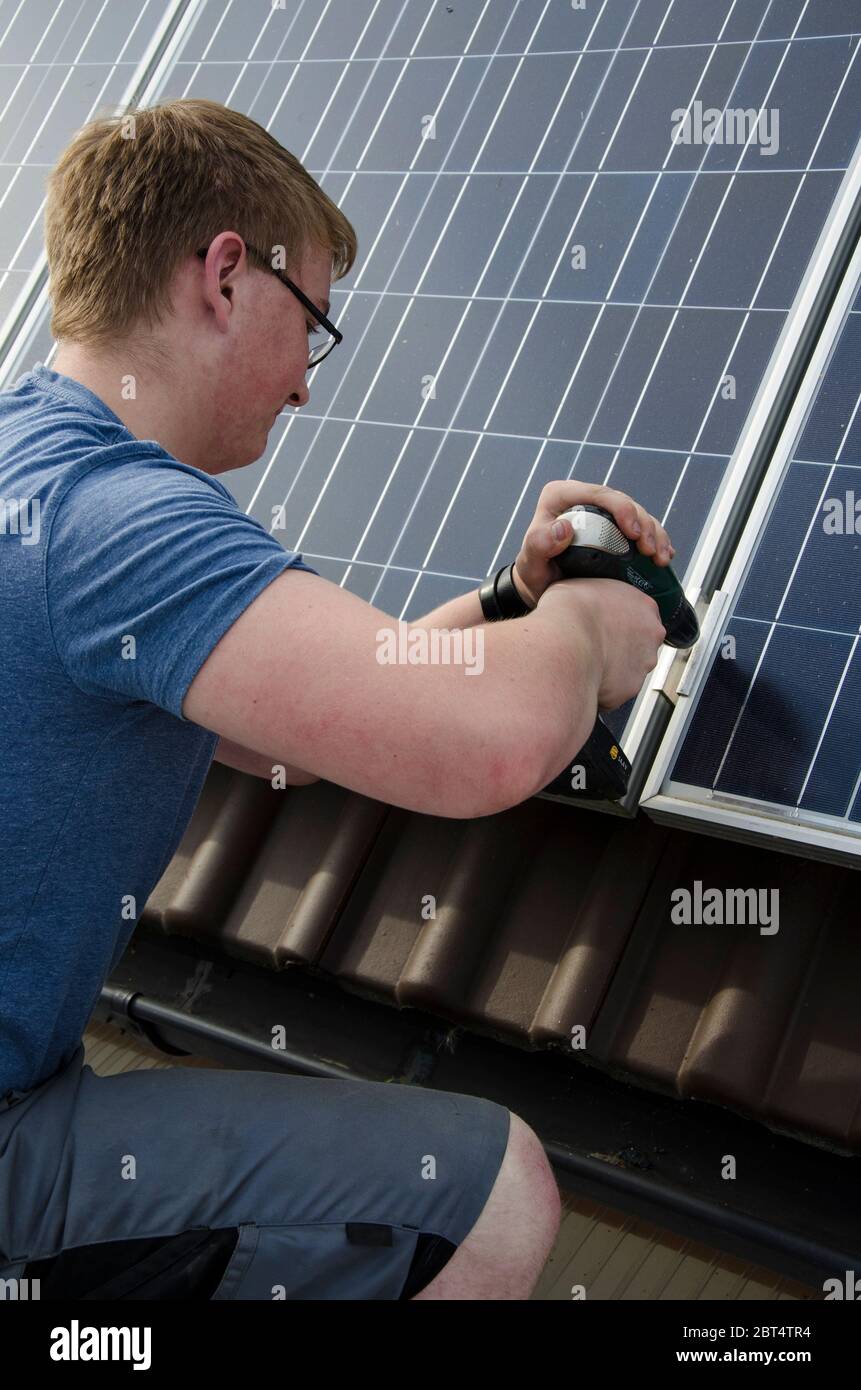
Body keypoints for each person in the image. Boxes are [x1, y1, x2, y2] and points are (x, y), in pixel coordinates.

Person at [0, 98, 671, 1300]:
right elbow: (490, 742)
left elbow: (289, 743)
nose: (308, 390)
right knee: (486, 1187)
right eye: (312, 324)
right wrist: (592, 625)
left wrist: (512, 610)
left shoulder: (30, 481)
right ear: (224, 277)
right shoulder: (116, 521)